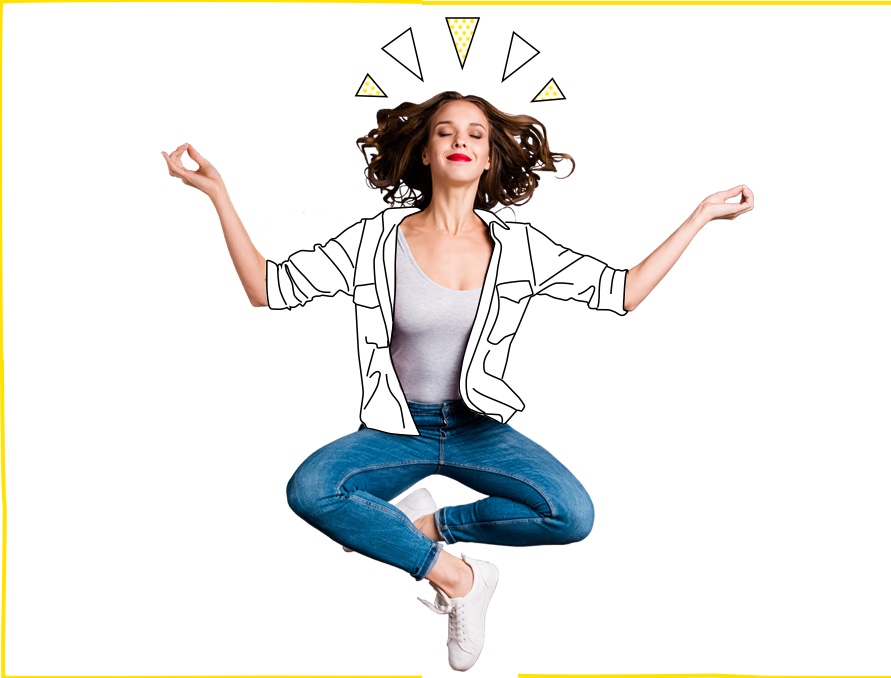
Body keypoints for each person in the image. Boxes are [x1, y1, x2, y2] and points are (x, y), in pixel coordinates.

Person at [162, 91, 754, 671]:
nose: (461, 142)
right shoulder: (376, 240)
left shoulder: (519, 247)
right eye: (445, 132)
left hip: (476, 429)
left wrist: (699, 217)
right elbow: (267, 287)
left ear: (491, 156)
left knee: (571, 515)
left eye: (475, 134)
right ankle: (459, 577)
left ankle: (430, 524)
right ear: (425, 151)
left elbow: (621, 292)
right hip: (400, 428)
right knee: (311, 490)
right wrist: (218, 194)